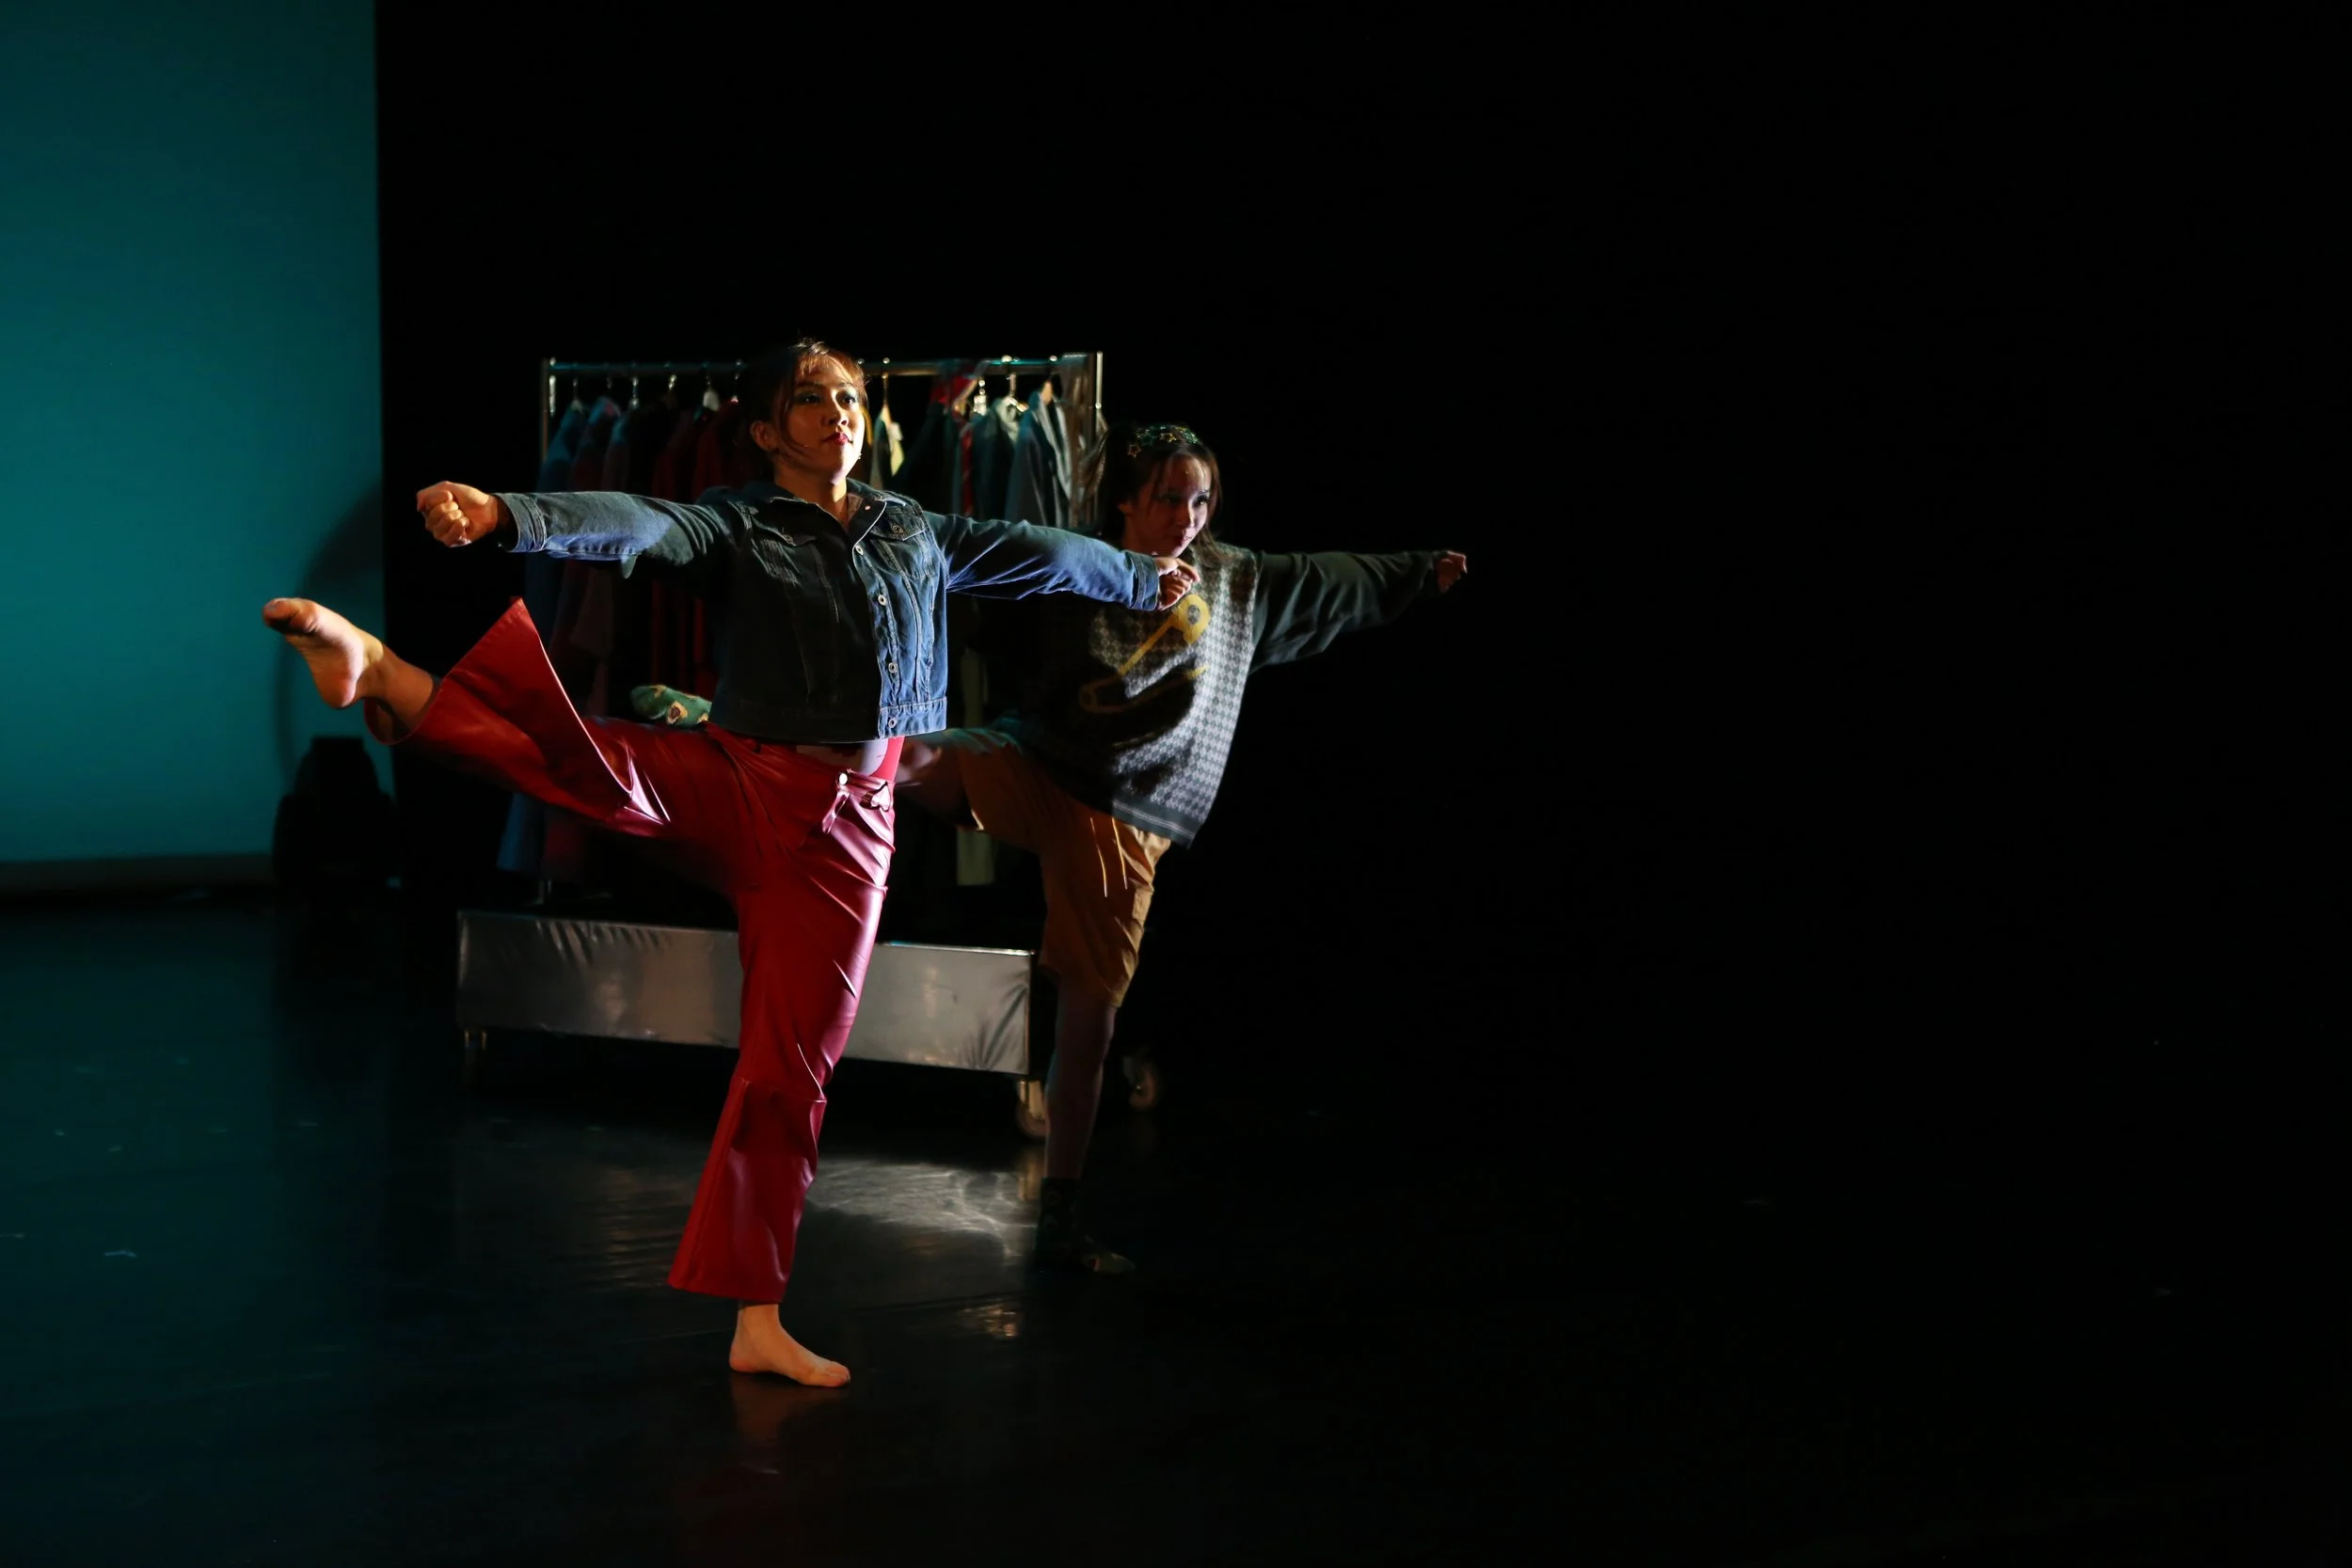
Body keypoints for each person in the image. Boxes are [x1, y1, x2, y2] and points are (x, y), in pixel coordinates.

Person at [263, 341, 1198, 1383]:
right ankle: (383, 669)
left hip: (853, 827)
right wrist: (505, 513)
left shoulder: (914, 528)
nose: (839, 412)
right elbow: (636, 520)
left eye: (849, 395)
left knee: (790, 1067)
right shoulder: (737, 521)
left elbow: (1036, 550)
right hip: (746, 776)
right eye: (811, 398)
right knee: (593, 761)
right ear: (765, 429)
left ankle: (758, 1315)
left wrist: (1138, 569)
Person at [893, 421, 1467, 1271]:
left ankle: (1060, 1215)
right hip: (1039, 763)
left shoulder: (1231, 581)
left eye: (1200, 500)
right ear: (1127, 499)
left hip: (1123, 821)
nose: (1187, 517)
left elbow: (1329, 580)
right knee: (904, 756)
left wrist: (1419, 572)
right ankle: (740, 732)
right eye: (1169, 498)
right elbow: (984, 578)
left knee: (1088, 1026)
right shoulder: (1082, 563)